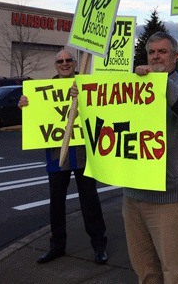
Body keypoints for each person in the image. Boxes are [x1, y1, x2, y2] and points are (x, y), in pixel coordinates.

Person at [126, 32, 178, 284]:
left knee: (176, 273)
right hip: (134, 193)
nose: (156, 56)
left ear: (175, 56)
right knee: (146, 271)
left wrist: (159, 84)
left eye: (163, 52)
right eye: (152, 52)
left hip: (170, 196)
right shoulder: (133, 86)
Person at [18, 48, 108, 265]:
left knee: (90, 201)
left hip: (83, 154)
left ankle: (99, 246)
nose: (65, 64)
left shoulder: (86, 85)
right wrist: (23, 105)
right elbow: (36, 118)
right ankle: (57, 246)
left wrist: (83, 98)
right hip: (57, 155)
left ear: (75, 64)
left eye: (69, 60)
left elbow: (102, 110)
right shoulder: (42, 91)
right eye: (60, 61)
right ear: (55, 65)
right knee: (56, 203)